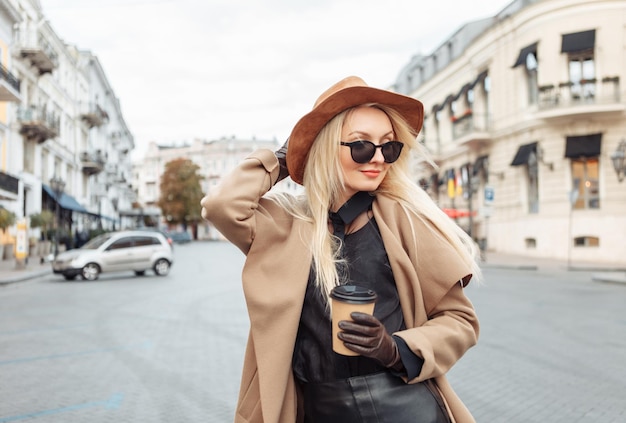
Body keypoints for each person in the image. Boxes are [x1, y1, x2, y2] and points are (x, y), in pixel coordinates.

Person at [201, 76, 481, 423]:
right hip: (319, 410)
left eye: (389, 147)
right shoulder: (286, 223)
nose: (378, 158)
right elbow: (222, 205)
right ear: (327, 146)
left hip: (403, 407)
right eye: (362, 145)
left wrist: (395, 348)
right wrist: (287, 158)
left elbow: (460, 321)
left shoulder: (407, 221)